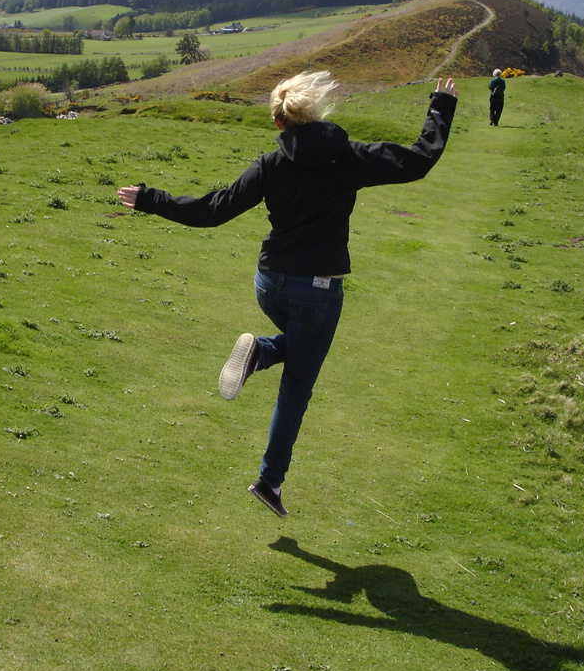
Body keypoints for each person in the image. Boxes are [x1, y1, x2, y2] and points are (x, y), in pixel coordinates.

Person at [118, 72, 458, 517]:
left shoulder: (268, 166)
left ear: (279, 124)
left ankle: (264, 352)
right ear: (314, 113)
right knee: (296, 387)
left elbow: (213, 210)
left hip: (269, 284)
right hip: (317, 292)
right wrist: (440, 107)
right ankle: (269, 478)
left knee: (296, 352)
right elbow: (418, 160)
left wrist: (151, 199)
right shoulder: (349, 158)